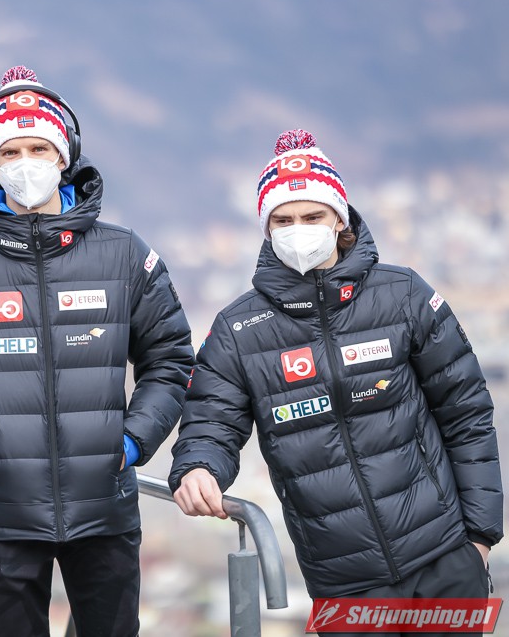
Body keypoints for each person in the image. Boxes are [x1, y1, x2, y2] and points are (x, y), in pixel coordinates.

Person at [0, 65, 194, 637]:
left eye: (38, 148)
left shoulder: (125, 254)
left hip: (104, 511)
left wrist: (132, 441)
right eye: (10, 152)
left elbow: (171, 360)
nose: (25, 162)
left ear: (63, 156)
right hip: (3, 516)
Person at [169, 129, 502, 632]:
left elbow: (467, 414)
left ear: (339, 220)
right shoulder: (239, 330)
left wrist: (479, 538)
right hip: (343, 581)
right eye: (283, 220)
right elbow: (210, 421)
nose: (298, 230)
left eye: (312, 217)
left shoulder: (403, 294)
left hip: (443, 558)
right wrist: (198, 467)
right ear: (266, 229)